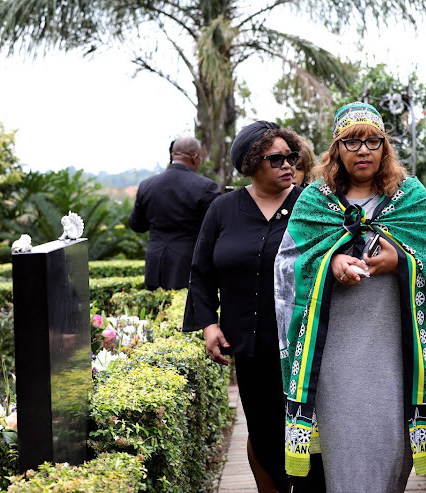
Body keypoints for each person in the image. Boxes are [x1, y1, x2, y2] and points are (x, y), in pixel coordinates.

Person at [274, 102, 426, 492]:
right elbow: (286, 268)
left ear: (385, 147)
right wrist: (332, 263)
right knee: (344, 452)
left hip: (395, 356)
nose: (363, 150)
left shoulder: (411, 198)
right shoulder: (313, 202)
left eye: (372, 140)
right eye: (352, 141)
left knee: (389, 445)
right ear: (336, 149)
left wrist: (402, 262)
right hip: (333, 358)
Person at [185, 121, 319, 493]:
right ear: (250, 163)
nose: (287, 165)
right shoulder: (222, 209)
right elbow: (200, 271)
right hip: (248, 346)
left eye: (291, 156)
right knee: (262, 430)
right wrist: (209, 325)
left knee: (307, 431)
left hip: (303, 345)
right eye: (276, 159)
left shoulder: (310, 205)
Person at [129, 136, 220, 290]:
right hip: (188, 262)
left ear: (173, 155)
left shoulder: (147, 185)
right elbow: (217, 229)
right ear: (195, 157)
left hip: (154, 262)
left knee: (156, 311)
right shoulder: (206, 187)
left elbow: (137, 225)